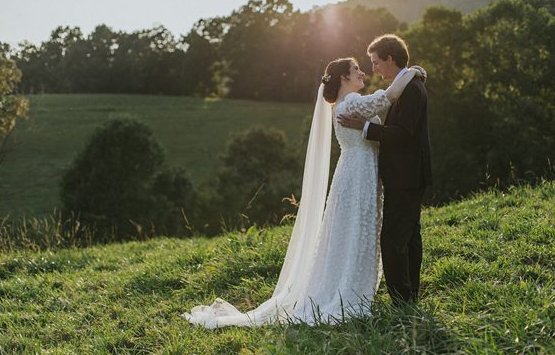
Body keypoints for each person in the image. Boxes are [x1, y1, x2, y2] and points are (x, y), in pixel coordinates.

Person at [182, 57, 425, 328]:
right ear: (344, 77)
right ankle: (346, 289)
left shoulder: (343, 104)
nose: (362, 72)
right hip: (357, 173)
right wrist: (412, 72)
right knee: (355, 229)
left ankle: (349, 282)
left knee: (353, 230)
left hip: (357, 170)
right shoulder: (351, 103)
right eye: (356, 69)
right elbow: (389, 96)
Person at [338, 34, 432, 304]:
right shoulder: (408, 84)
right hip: (405, 174)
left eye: (376, 62)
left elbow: (404, 134)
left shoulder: (412, 88)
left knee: (392, 241)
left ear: (390, 59)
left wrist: (365, 127)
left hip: (407, 175)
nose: (374, 68)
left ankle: (402, 300)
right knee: (409, 235)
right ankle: (410, 295)